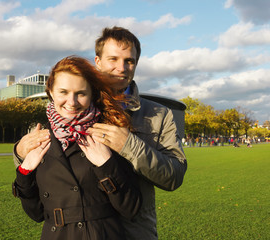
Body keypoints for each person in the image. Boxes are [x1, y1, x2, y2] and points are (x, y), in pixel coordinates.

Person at [14, 27, 187, 239]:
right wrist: (19, 152)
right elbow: (45, 170)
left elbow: (174, 177)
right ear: (97, 61)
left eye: (129, 61)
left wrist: (129, 146)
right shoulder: (74, 108)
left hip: (134, 231)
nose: (121, 67)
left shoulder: (159, 114)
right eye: (113, 59)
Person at [12, 56, 142, 240]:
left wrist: (107, 164)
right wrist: (24, 172)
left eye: (80, 93)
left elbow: (131, 208)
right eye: (63, 92)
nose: (71, 102)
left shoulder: (108, 134)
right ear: (51, 91)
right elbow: (36, 214)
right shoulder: (40, 139)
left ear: (92, 94)